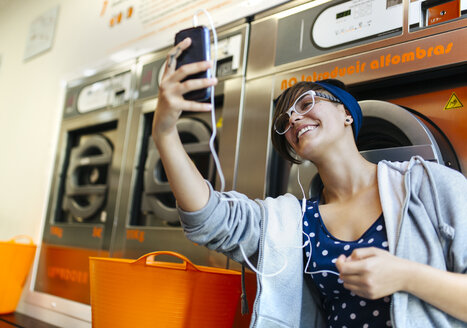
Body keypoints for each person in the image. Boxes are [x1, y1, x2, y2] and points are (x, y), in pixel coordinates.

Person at [152, 37, 467, 327]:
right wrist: (164, 133)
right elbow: (209, 217)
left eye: (305, 104)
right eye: (285, 121)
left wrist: (406, 276)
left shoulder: (429, 186)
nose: (294, 119)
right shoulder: (293, 222)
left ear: (346, 112)